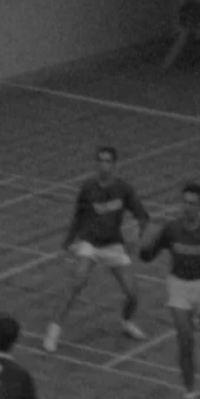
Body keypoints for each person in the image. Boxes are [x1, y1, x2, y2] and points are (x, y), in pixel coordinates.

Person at [43, 146, 149, 352]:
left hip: (114, 245)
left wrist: (134, 238)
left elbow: (143, 216)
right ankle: (53, 331)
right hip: (90, 243)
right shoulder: (88, 188)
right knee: (77, 282)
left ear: (114, 164)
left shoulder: (124, 189)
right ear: (96, 163)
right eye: (101, 160)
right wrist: (67, 243)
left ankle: (126, 322)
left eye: (108, 161)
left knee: (133, 295)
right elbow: (78, 216)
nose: (104, 165)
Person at [139, 182, 200, 399]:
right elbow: (147, 256)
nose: (187, 207)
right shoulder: (171, 229)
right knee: (186, 339)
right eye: (185, 202)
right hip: (179, 287)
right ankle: (189, 394)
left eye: (193, 203)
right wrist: (145, 241)